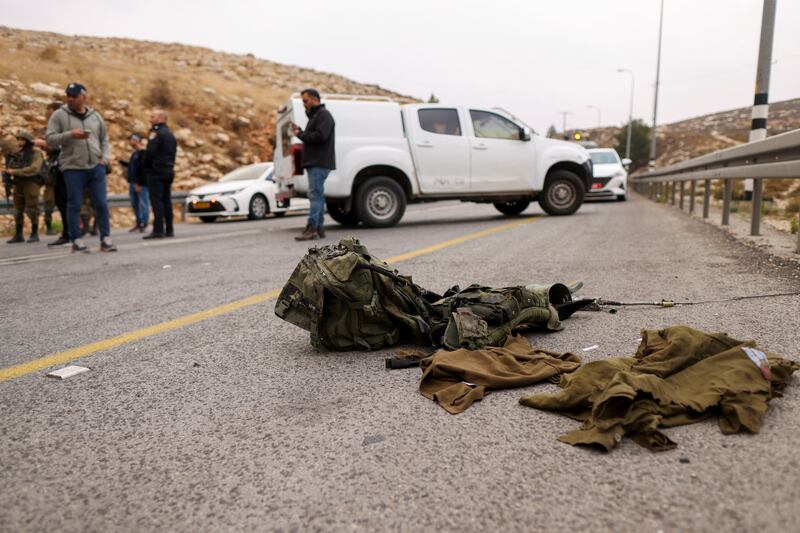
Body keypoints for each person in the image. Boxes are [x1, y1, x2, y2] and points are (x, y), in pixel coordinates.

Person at [45, 82, 116, 253]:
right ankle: (76, 240)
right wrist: (70, 135)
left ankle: (105, 239)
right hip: (73, 167)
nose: (70, 99)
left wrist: (104, 159)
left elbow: (104, 140)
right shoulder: (59, 116)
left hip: (95, 166)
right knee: (74, 204)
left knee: (101, 203)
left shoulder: (95, 116)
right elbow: (50, 139)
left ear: (84, 97)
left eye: (74, 96)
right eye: (68, 95)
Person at [292, 88, 335, 241]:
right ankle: (319, 228)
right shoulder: (317, 115)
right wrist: (301, 132)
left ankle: (312, 228)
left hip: (319, 162)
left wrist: (300, 134)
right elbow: (315, 135)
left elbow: (320, 136)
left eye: (305, 101)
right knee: (318, 195)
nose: (304, 104)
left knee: (314, 195)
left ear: (315, 99)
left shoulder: (323, 115)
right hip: (317, 162)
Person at [35, 102, 71, 246]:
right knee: (62, 203)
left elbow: (63, 146)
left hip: (68, 169)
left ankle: (72, 234)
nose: (47, 113)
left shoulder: (65, 125)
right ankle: (67, 234)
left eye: (49, 111)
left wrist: (44, 144)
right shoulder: (55, 126)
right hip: (58, 170)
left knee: (68, 203)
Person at [4, 130, 44, 243]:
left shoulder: (36, 153)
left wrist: (15, 172)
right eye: (19, 139)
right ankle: (18, 234)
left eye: (23, 140)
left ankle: (34, 233)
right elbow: (10, 168)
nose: (20, 142)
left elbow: (34, 169)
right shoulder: (16, 155)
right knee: (17, 210)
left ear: (28, 141)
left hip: (31, 183)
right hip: (18, 184)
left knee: (32, 209)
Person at [143, 109, 176, 239]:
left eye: (153, 117)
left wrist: (146, 166)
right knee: (167, 200)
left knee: (157, 201)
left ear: (160, 118)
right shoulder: (170, 134)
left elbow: (150, 151)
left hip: (156, 171)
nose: (150, 119)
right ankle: (169, 229)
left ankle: (158, 230)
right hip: (168, 170)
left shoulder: (156, 133)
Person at [118, 133, 148, 232]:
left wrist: (139, 183)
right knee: (135, 204)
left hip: (140, 184)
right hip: (132, 182)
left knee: (143, 204)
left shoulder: (142, 153)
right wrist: (121, 161)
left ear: (136, 140)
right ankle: (139, 223)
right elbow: (131, 166)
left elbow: (143, 169)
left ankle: (144, 223)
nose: (130, 142)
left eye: (131, 140)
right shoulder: (134, 154)